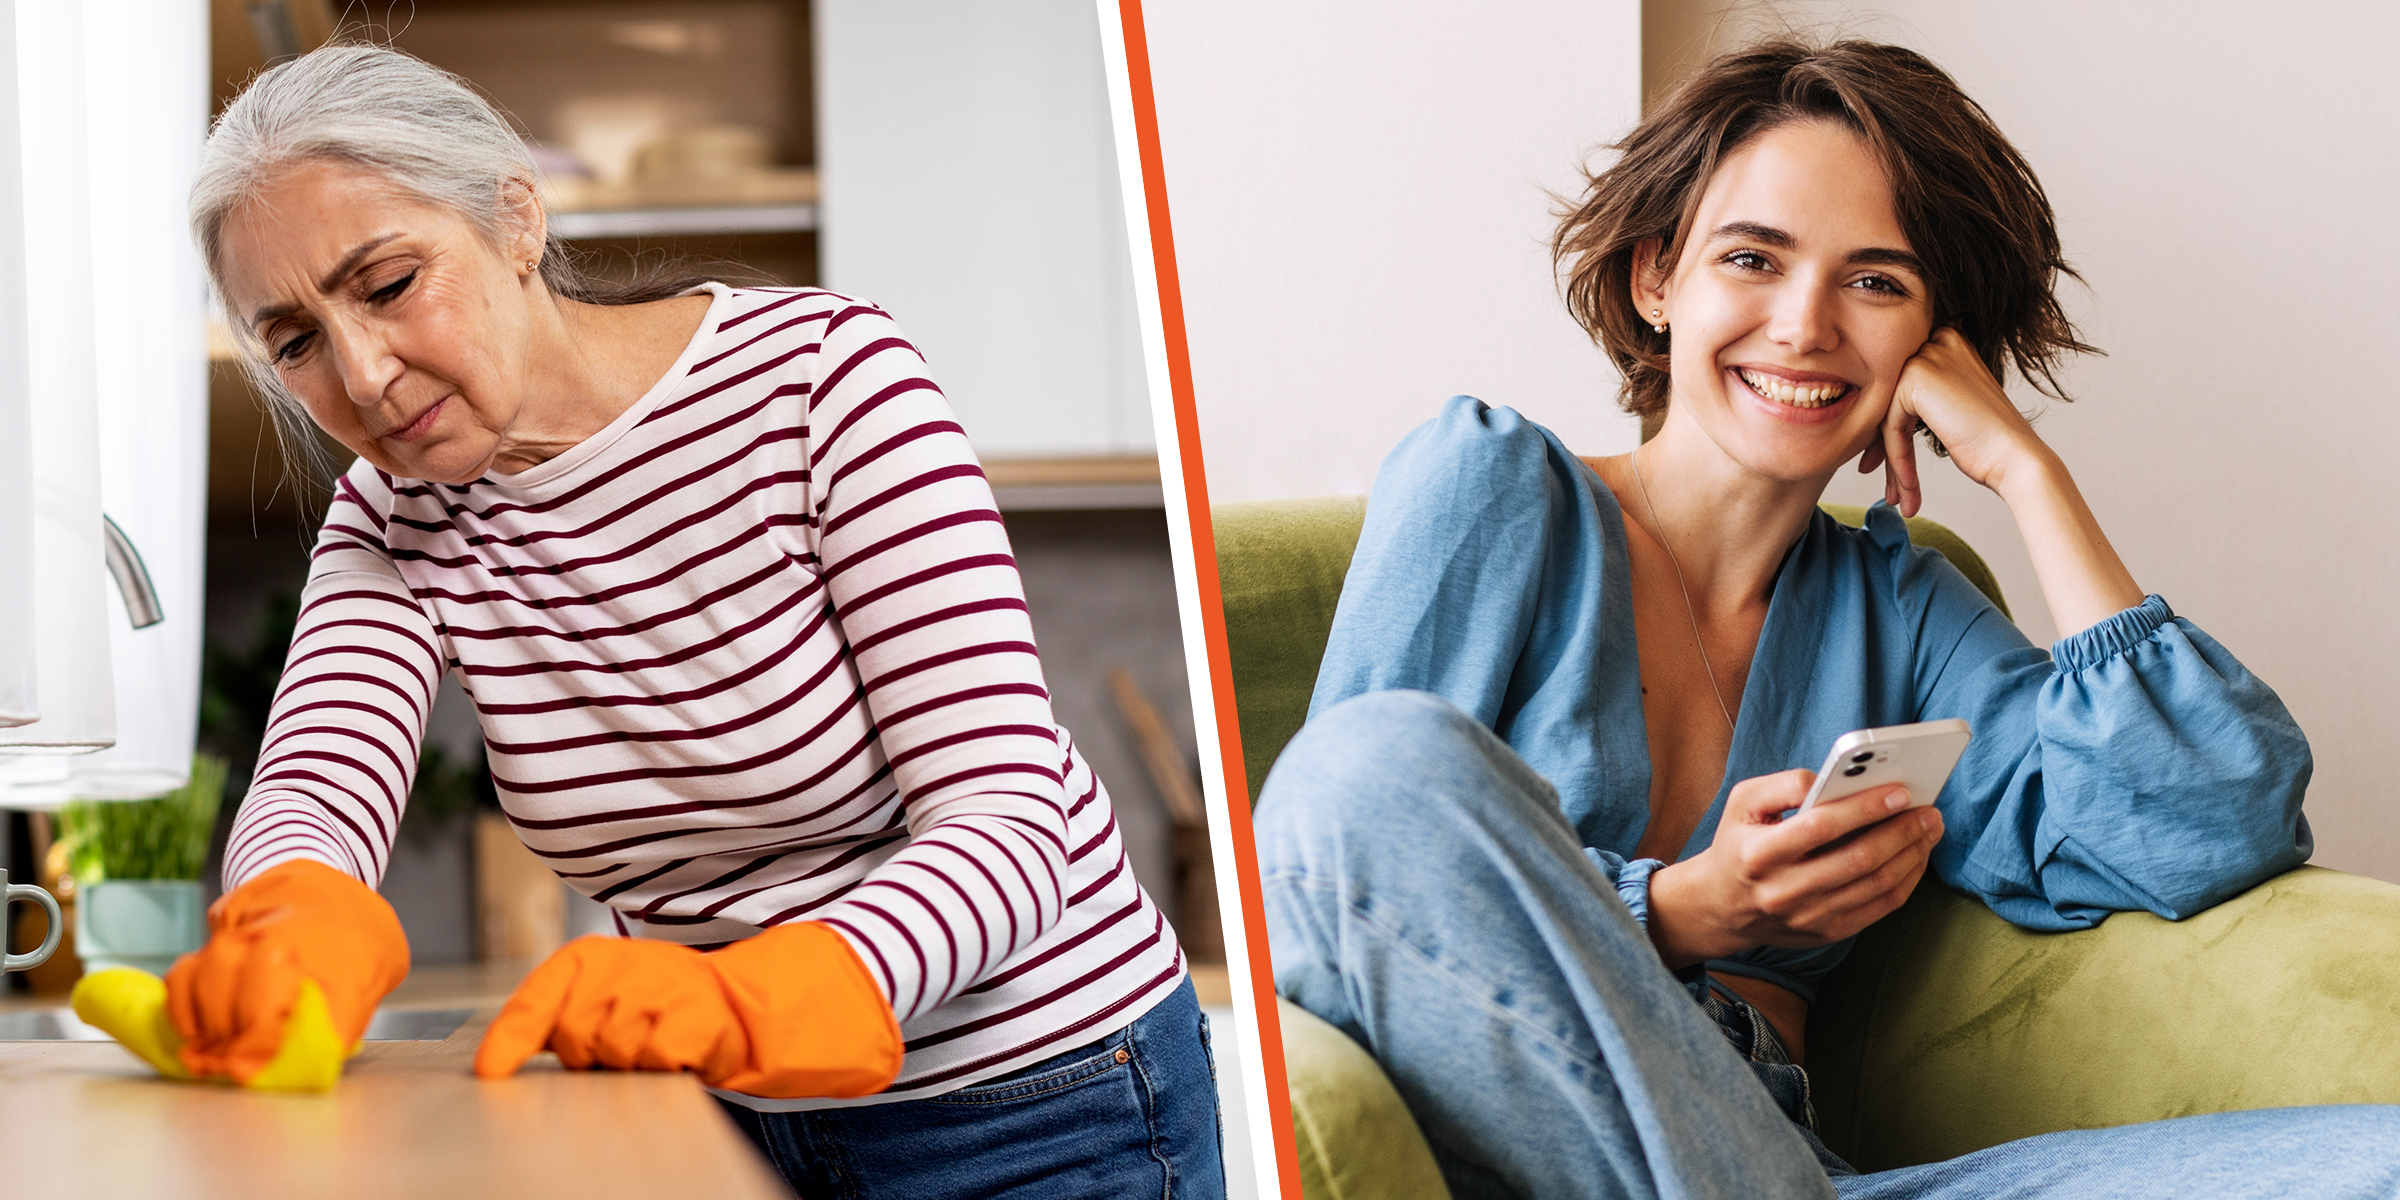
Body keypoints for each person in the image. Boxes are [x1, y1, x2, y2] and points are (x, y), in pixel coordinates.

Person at [1252, 39, 2400, 1199]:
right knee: (1367, 767)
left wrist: (2023, 466)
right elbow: (1328, 869)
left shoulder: (1902, 609)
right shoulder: (1495, 487)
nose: (1805, 326)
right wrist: (1686, 908)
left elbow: (2212, 821)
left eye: (1877, 281)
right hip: (1529, 1151)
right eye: (1753, 258)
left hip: (1791, 1168)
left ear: (1934, 342)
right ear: (1659, 278)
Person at [179, 44, 1222, 1198]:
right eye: (295, 341)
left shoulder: (827, 383)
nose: (364, 373)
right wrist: (291, 912)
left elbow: (1008, 815)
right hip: (712, 1119)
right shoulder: (392, 516)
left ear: (516, 220)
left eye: (385, 284)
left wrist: (780, 985)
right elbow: (315, 790)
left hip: (1035, 1099)